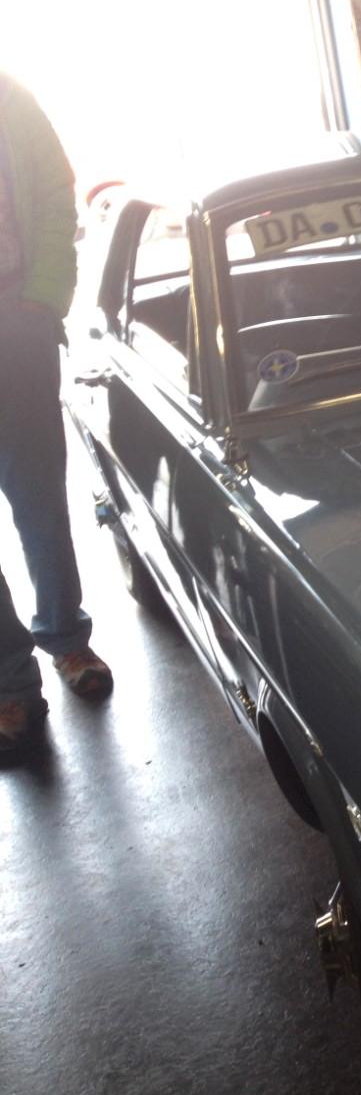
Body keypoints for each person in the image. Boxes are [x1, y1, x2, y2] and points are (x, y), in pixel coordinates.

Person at [0, 72, 112, 754]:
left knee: (40, 493)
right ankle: (9, 680)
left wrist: (42, 299)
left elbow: (52, 192)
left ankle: (67, 638)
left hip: (15, 313)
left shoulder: (10, 99)